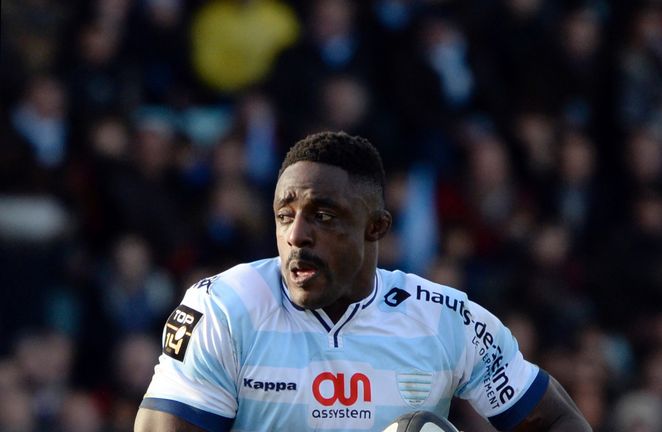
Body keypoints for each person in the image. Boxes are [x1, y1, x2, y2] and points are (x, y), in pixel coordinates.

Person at [134, 131, 591, 431]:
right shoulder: (224, 310)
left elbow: (558, 423)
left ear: (377, 227)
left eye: (324, 215)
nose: (296, 236)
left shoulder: (448, 320)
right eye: (284, 216)